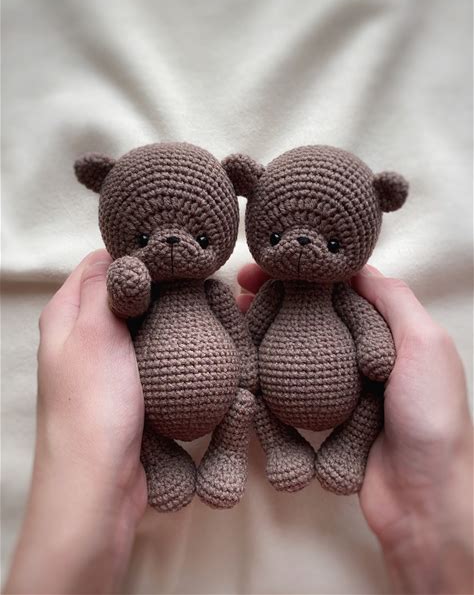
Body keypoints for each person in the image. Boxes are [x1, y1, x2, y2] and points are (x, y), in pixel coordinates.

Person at [4, 250, 473, 594]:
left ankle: (303, 449)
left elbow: (244, 330)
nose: (303, 247)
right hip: (160, 414)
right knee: (250, 401)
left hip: (283, 400)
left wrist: (371, 342)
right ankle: (193, 457)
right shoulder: (217, 293)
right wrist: (128, 296)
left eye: (332, 245)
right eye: (145, 239)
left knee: (255, 402)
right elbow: (244, 329)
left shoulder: (235, 292)